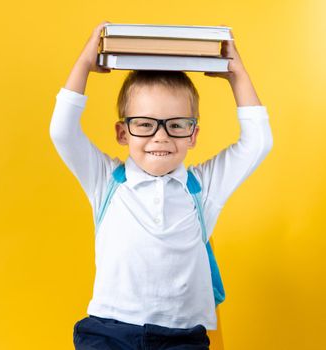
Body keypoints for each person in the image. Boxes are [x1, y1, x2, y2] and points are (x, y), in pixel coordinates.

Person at [49, 21, 273, 350]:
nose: (161, 136)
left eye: (177, 125)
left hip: (181, 337)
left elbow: (258, 142)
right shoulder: (107, 182)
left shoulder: (203, 188)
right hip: (109, 330)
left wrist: (236, 75)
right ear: (122, 133)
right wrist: (84, 64)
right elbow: (62, 131)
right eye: (144, 124)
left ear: (193, 134)